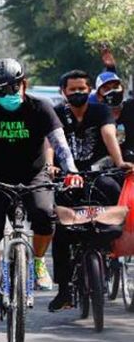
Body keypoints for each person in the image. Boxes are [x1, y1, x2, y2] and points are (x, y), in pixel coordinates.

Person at [0, 58, 82, 319]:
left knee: (45, 213)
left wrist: (71, 170)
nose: (7, 95)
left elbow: (59, 144)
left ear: (23, 84)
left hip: (33, 175)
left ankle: (37, 262)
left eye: (12, 88)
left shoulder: (40, 108)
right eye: (0, 90)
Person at [48, 69, 133, 311]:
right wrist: (50, 166)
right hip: (67, 177)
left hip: (98, 174)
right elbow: (50, 143)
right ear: (63, 92)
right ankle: (64, 290)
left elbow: (109, 136)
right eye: (72, 90)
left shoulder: (101, 111)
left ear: (90, 91)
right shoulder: (56, 114)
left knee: (113, 199)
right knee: (62, 232)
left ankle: (109, 252)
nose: (77, 93)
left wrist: (119, 163)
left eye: (82, 89)